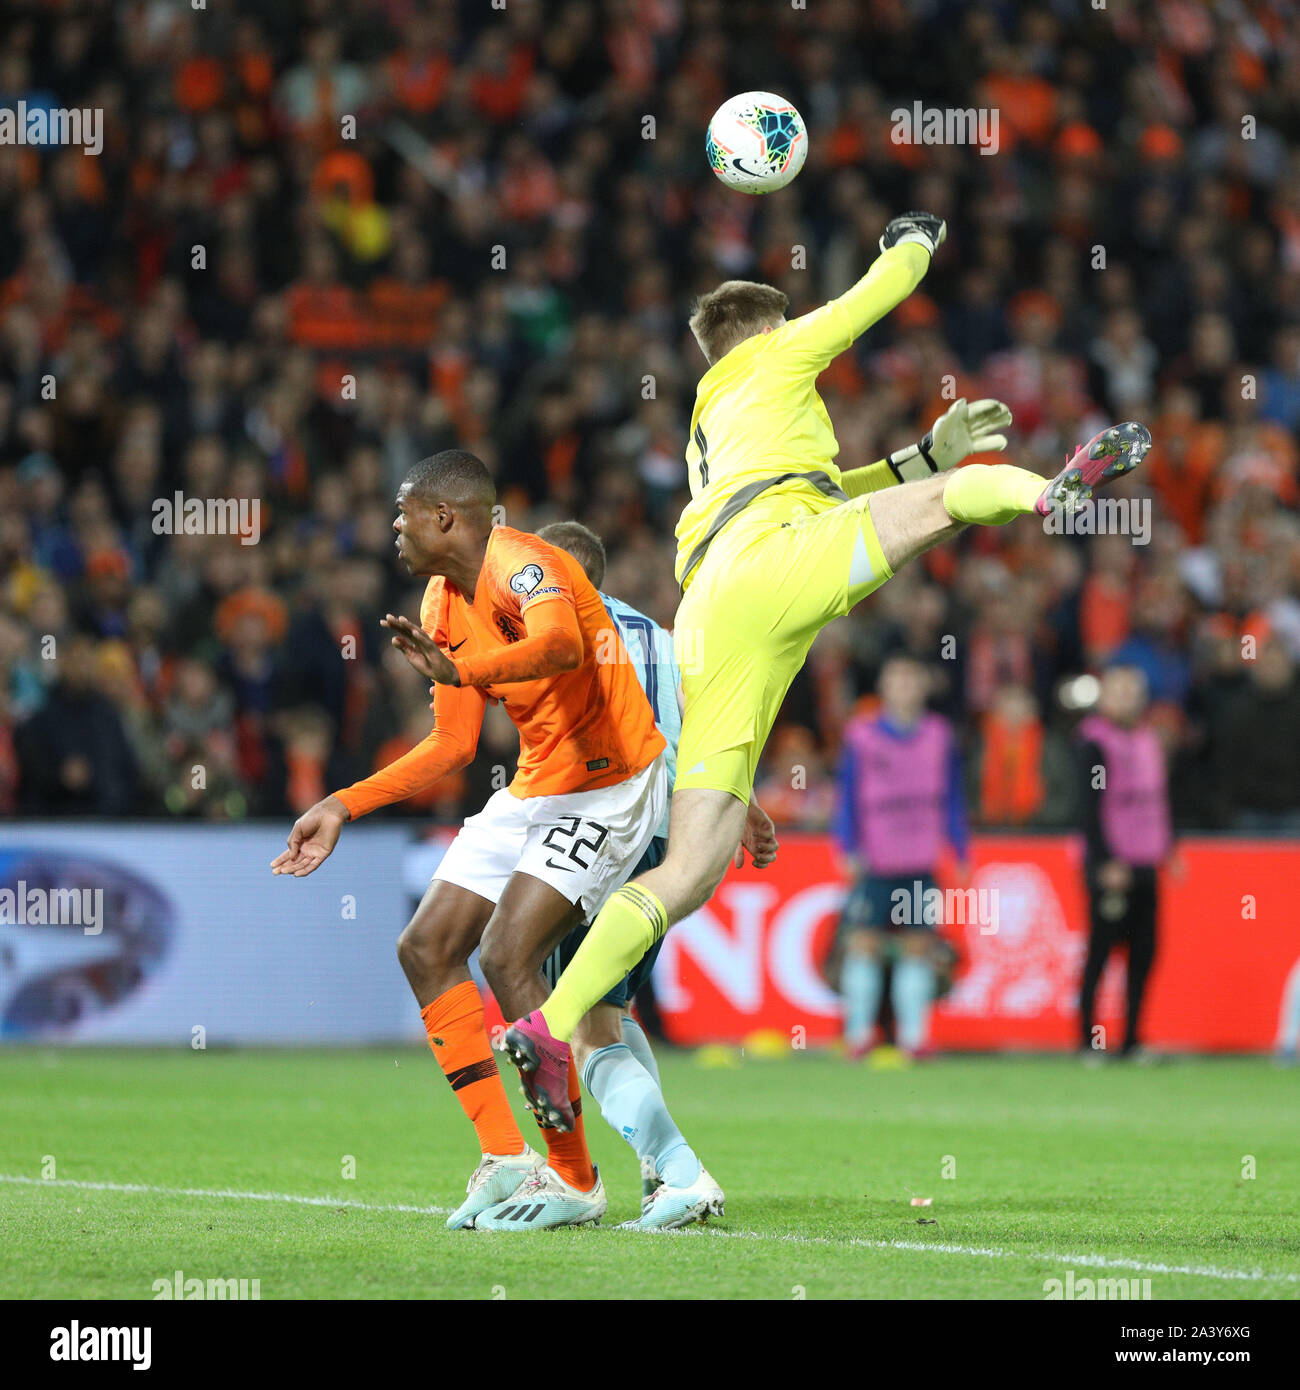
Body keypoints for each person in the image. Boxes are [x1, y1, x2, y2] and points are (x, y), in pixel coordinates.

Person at [485, 210, 1151, 1127]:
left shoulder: (716, 424)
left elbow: (828, 490)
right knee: (960, 501)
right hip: (773, 559)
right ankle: (1052, 493)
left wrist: (922, 454)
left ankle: (551, 1029)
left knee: (693, 866)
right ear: (764, 331)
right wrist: (915, 235)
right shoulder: (768, 357)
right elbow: (879, 296)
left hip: (712, 605)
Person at [271, 450, 670, 1231]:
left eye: (403, 513)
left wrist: (467, 671)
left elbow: (561, 646)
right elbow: (454, 747)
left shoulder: (525, 563)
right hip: (537, 788)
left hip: (610, 782)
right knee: (425, 947)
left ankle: (575, 1180)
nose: (393, 527)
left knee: (507, 956)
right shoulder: (439, 604)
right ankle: (506, 1155)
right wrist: (344, 805)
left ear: (445, 517)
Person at [536, 519, 751, 1229]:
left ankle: (683, 1172)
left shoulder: (558, 633)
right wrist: (742, 808)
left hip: (601, 834)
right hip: (671, 839)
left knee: (588, 1028)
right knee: (613, 1013)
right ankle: (660, 1175)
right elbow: (704, 734)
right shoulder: (662, 636)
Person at [832, 654, 969, 1060]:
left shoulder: (940, 735)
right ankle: (858, 1036)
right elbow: (848, 794)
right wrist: (846, 846)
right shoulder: (862, 735)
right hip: (875, 858)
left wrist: (960, 848)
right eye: (898, 679)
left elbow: (954, 797)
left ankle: (914, 1038)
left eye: (913, 679)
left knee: (918, 946)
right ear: (885, 687)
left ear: (923, 687)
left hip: (920, 858)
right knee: (863, 944)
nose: (906, 687)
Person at [1075, 665, 1173, 1059]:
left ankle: (1131, 1039)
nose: (1127, 698)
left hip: (1146, 861)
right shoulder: (1093, 743)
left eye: (1133, 690)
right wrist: (1105, 861)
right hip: (1110, 866)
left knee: (1145, 953)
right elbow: (1088, 808)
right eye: (1118, 690)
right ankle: (1088, 1041)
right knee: (1100, 952)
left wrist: (1170, 848)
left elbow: (1159, 800)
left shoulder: (1149, 739)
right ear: (1103, 697)